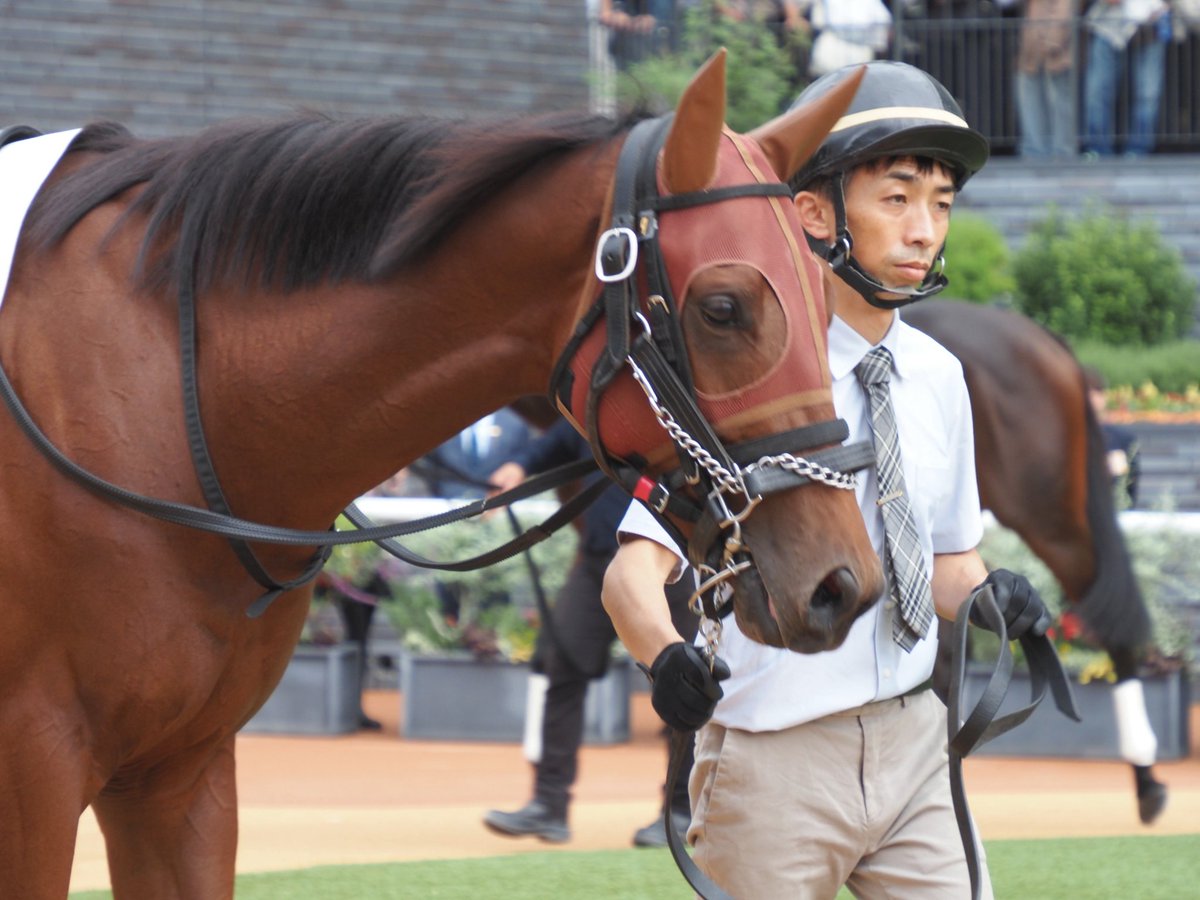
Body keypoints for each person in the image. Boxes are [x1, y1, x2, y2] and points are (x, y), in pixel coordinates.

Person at [601, 61, 1054, 898]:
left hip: (917, 744)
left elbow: (948, 563)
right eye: (897, 199)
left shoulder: (940, 376)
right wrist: (662, 659)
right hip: (773, 768)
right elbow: (632, 575)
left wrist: (995, 597)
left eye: (941, 204)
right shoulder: (745, 386)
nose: (925, 230)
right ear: (812, 213)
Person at [482, 417, 699, 847]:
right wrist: (519, 467)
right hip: (600, 559)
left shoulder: (680, 398)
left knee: (685, 683)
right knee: (560, 667)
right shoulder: (601, 401)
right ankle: (548, 805)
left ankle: (678, 811)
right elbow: (560, 441)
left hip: (672, 566)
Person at [412, 409, 535, 622]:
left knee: (496, 586)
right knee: (448, 584)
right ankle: (447, 630)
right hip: (449, 523)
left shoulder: (515, 423)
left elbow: (525, 463)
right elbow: (431, 469)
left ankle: (492, 632)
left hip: (497, 524)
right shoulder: (443, 421)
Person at [1082, 0, 1171, 157]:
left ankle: (1138, 150)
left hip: (1151, 24)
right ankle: (1098, 149)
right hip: (1108, 25)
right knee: (1097, 91)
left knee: (1148, 93)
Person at [1015, 0, 1079, 158]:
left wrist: (1053, 42)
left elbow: (1065, 10)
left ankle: (1062, 151)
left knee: (1059, 103)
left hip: (1056, 50)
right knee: (1030, 100)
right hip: (1031, 48)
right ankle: (1035, 150)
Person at [1084, 366, 1141, 506]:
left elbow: (1129, 486)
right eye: (1085, 391)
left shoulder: (1123, 439)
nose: (1092, 398)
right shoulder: (1064, 438)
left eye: (1097, 391)